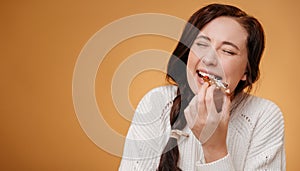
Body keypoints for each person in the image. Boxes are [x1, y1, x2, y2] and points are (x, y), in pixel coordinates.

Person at [119, 3, 285, 171]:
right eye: (202, 44)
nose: (209, 59)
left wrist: (214, 147)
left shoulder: (264, 116)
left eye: (228, 51)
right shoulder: (157, 103)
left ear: (246, 72)